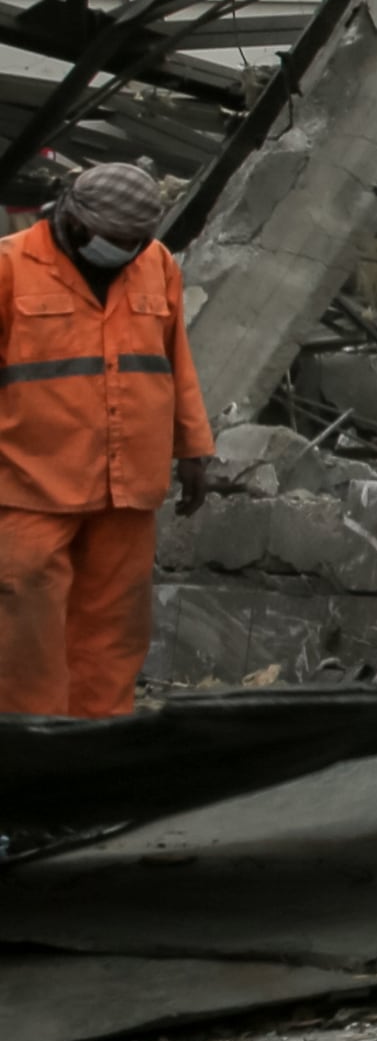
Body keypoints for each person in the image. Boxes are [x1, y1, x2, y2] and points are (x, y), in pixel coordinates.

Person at [0, 163, 217, 717]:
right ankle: (34, 747)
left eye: (137, 240)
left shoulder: (157, 265)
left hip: (127, 486)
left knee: (113, 630)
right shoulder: (9, 266)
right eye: (117, 241)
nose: (128, 251)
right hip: (29, 485)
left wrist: (192, 447)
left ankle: (98, 743)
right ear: (75, 222)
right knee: (26, 634)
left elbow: (174, 361)